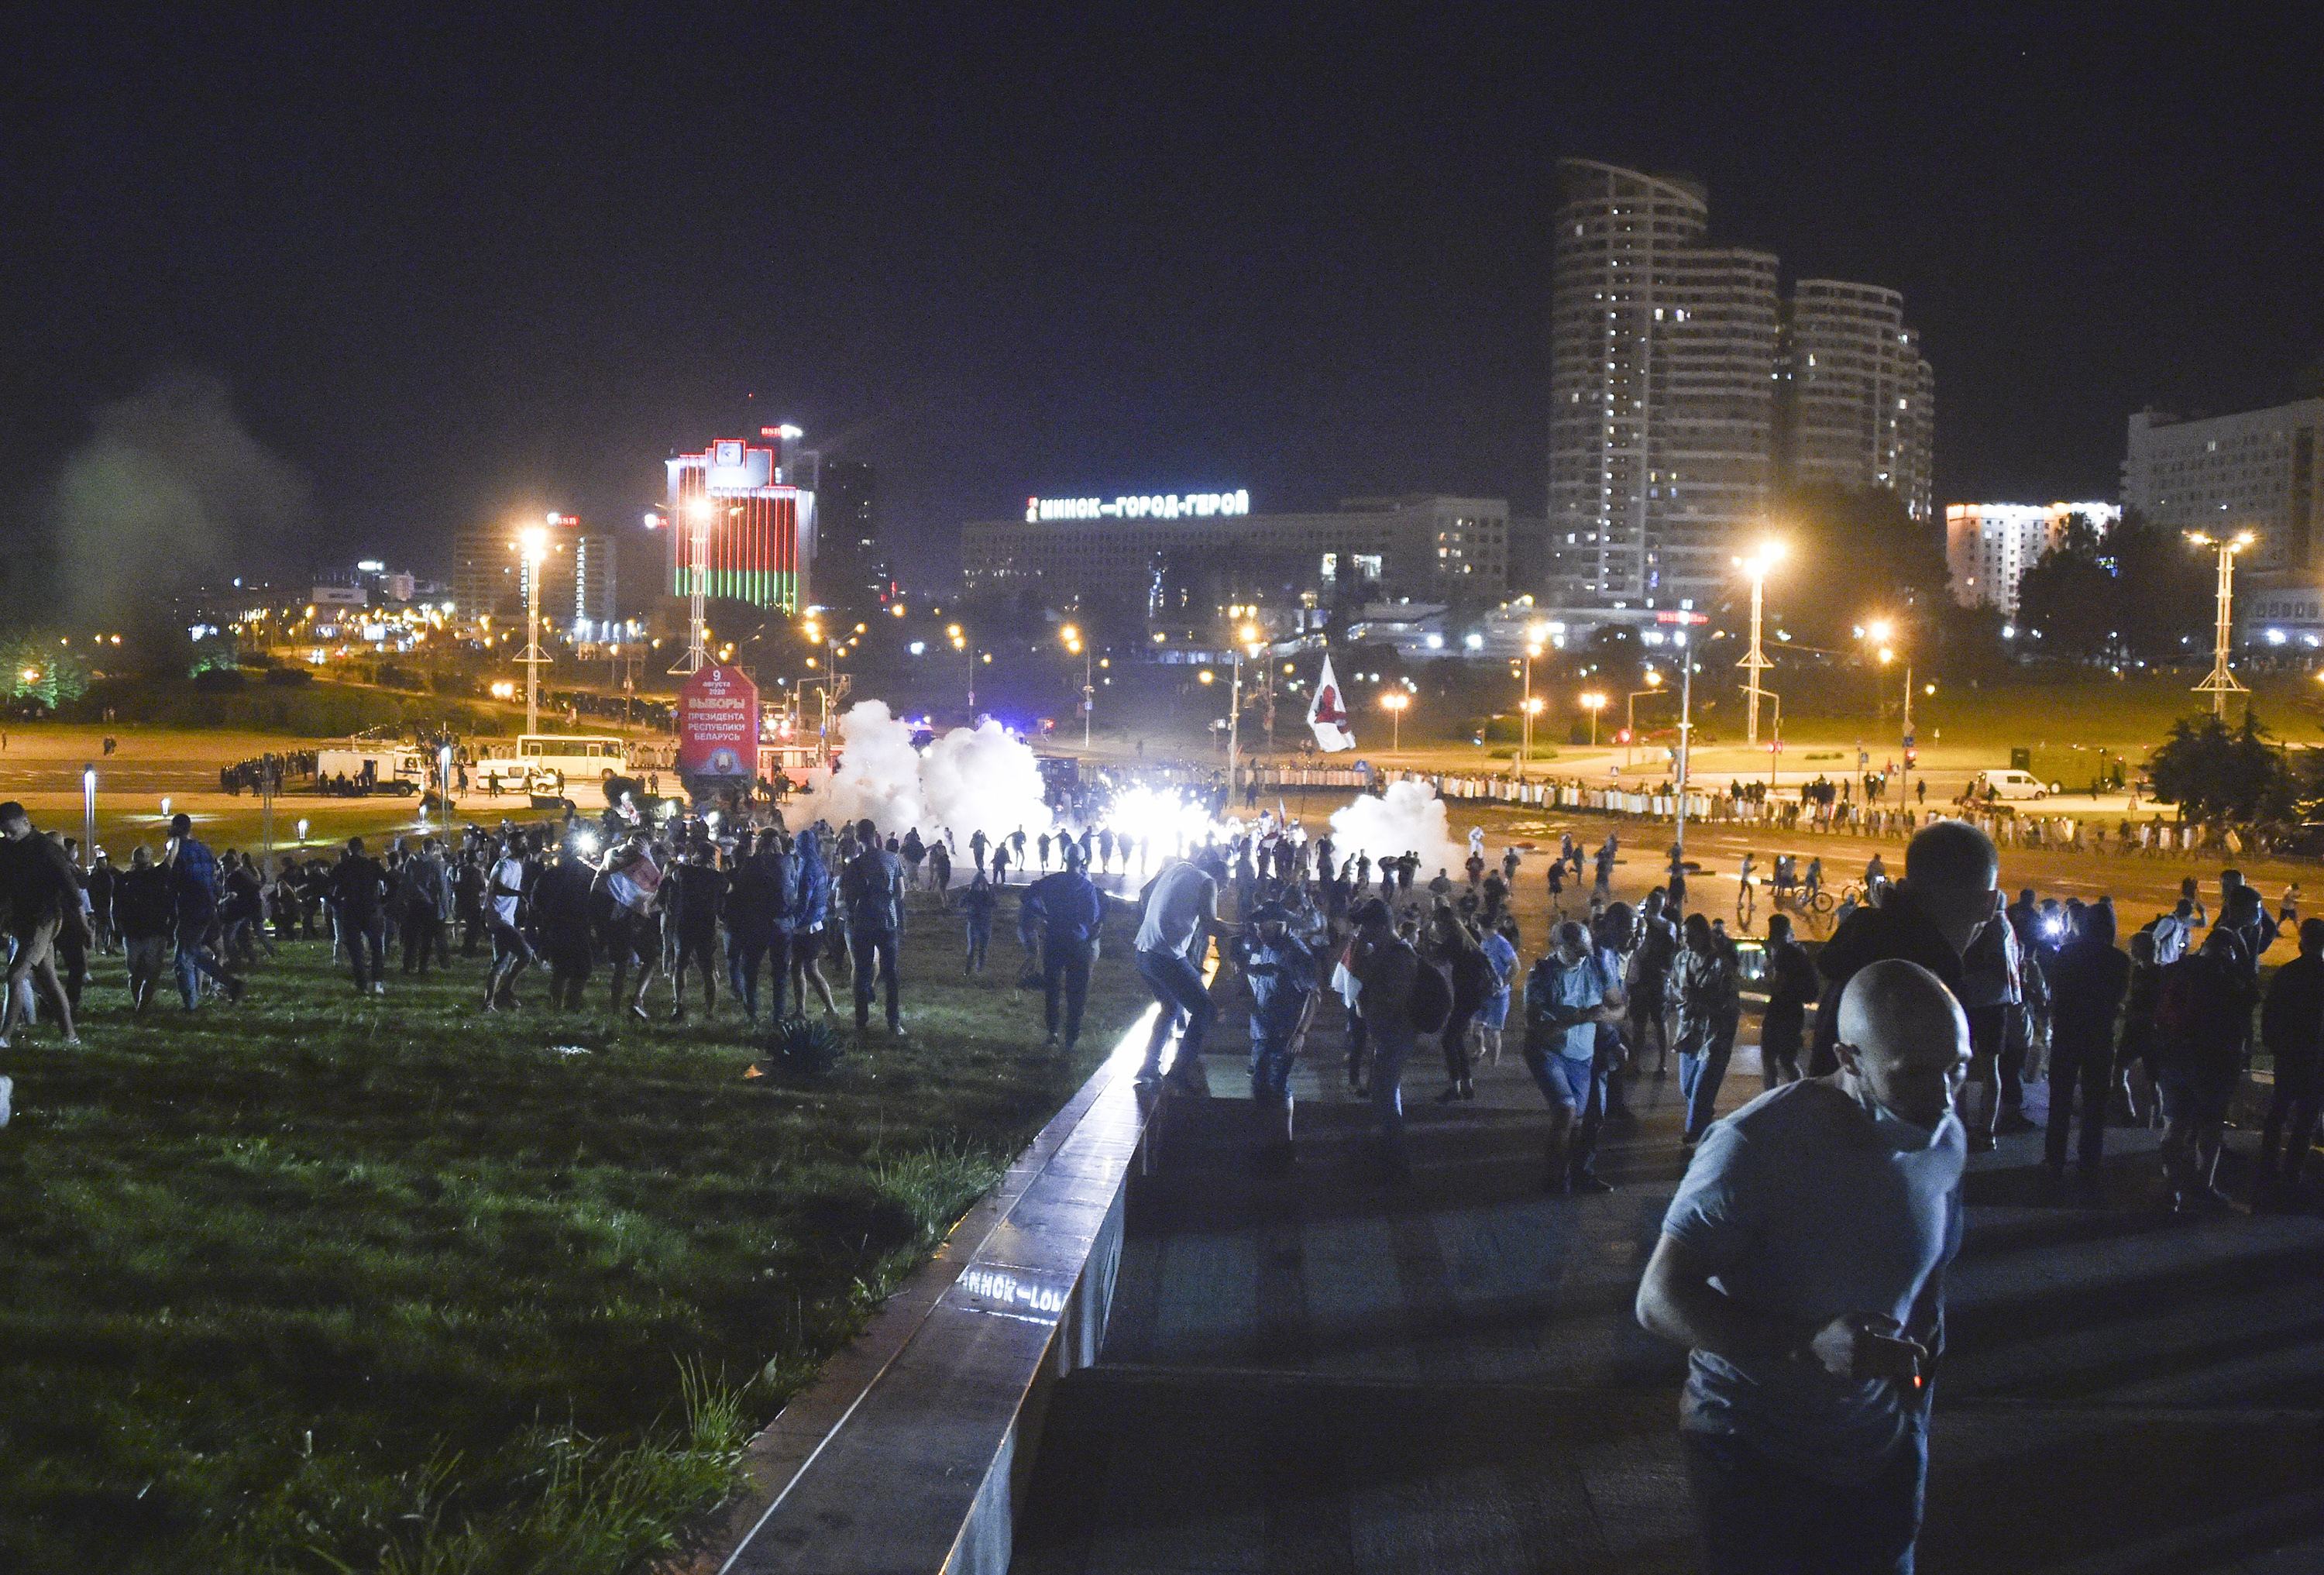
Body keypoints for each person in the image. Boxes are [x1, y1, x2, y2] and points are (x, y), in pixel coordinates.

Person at [1637, 959, 1968, 1575]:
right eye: (1915, 1074)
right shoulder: (1754, 1145)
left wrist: (1915, 1419)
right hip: (1751, 1452)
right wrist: (1807, 1345)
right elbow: (1659, 1298)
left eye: (1959, 1068)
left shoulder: (1943, 1135)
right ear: (1848, 1058)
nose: (1945, 1098)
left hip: (1880, 1448)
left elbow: (1929, 1281)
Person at [1809, 820, 1997, 1078]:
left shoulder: (1860, 948)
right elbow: (1922, 1108)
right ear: (1989, 904)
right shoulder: (1929, 983)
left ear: (1905, 888)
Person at [2153, 926, 2254, 1212]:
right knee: (2210, 1128)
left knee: (2174, 1126)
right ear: (2228, 951)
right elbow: (2247, 1005)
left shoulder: (2174, 969)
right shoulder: (2228, 978)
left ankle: (2172, 1187)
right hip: (2212, 1063)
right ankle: (2203, 1184)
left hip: (2174, 1057)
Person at [1525, 918, 1623, 1194]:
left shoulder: (1596, 968)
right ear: (1558, 946)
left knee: (1579, 1122)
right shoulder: (1542, 973)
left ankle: (1569, 1174)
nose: (1581, 956)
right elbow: (1534, 1023)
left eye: (1584, 949)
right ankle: (1553, 1180)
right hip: (1548, 1051)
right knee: (1565, 1112)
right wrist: (1580, 1017)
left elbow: (1618, 1008)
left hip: (1582, 1056)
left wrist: (1607, 1019)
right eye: (1574, 949)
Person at [2042, 899, 2130, 1185]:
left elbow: (2054, 989)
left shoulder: (2067, 953)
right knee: (2095, 1103)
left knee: (2060, 1100)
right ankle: (2089, 1159)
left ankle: (2054, 1158)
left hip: (2068, 1032)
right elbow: (2118, 998)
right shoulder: (2119, 960)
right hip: (2099, 1034)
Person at [1133, 854, 1233, 1086]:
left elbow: (1146, 895)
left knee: (1170, 1007)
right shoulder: (1208, 881)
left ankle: (1148, 1067)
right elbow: (1211, 925)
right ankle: (1179, 1073)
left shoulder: (1178, 868)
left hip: (1143, 951)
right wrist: (1244, 930)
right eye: (1225, 885)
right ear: (1218, 877)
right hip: (1166, 956)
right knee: (1205, 1010)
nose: (1224, 890)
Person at [0, 802, 88, 1047]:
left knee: (16, 976)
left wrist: (84, 926)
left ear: (26, 823)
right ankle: (71, 1036)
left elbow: (72, 888)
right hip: (21, 921)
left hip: (45, 919)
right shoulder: (6, 848)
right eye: (3, 832)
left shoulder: (46, 849)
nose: (8, 836)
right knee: (48, 978)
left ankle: (4, 1038)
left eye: (11, 831)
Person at [1235, 900, 1317, 1151]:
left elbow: (1314, 994)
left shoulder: (1296, 953)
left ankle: (1283, 1144)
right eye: (1258, 928)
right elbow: (1268, 973)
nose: (1260, 933)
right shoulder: (1267, 945)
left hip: (1284, 1031)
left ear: (1281, 924)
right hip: (1262, 1029)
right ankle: (1267, 1141)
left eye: (1265, 928)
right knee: (1261, 1085)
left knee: (1277, 1084)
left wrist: (1300, 1032)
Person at [1348, 896, 1419, 1173]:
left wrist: (1368, 1000)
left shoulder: (1399, 955)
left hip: (1396, 1035)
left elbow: (1387, 998)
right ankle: (1392, 1156)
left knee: (1384, 1095)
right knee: (1386, 1095)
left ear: (1379, 926)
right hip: (1386, 1035)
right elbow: (1357, 982)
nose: (1361, 931)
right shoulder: (1381, 953)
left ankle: (1397, 1163)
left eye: (1365, 926)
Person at [2257, 916, 2324, 1207]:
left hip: (2289, 1054)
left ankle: (2267, 1165)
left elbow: (2270, 1013)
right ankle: (2292, 1172)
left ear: (2301, 943)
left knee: (2279, 1110)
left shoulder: (2287, 973)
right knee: (2307, 1117)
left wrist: (2274, 1044)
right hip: (2316, 1057)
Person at [1021, 843, 1105, 1052]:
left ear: (1065, 858)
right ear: (1083, 861)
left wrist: (1043, 914)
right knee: (1077, 992)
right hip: (1078, 943)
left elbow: (1025, 896)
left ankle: (1053, 1033)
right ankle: (1071, 1038)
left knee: (1053, 989)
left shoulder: (1051, 881)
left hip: (1054, 940)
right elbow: (1093, 917)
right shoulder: (1087, 887)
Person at [1668, 913, 1742, 1144]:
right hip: (1690, 1033)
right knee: (1688, 1090)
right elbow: (1674, 988)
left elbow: (1730, 1005)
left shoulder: (1721, 964)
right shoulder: (1682, 959)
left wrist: (1700, 1000)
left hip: (1714, 1037)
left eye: (1691, 936)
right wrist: (1682, 997)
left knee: (1700, 1094)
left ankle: (1696, 1138)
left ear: (1704, 936)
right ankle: (1704, 1119)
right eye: (1684, 936)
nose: (1686, 941)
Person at [164, 813, 243, 1009]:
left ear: (176, 828)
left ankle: (191, 1006)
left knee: (182, 960)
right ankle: (232, 985)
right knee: (193, 954)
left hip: (190, 908)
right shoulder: (205, 850)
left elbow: (172, 883)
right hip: (208, 907)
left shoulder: (178, 852)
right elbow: (214, 879)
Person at [841, 817, 907, 1037]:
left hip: (863, 923)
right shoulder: (892, 859)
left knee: (861, 972)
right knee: (891, 974)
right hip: (888, 921)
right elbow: (900, 893)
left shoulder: (855, 865)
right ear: (876, 834)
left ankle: (862, 1022)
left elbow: (848, 897)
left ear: (858, 838)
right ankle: (894, 1022)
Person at [663, 841, 726, 1020]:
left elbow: (673, 877)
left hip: (684, 925)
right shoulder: (716, 877)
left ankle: (679, 1004)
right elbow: (729, 888)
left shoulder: (684, 872)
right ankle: (710, 1012)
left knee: (680, 966)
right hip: (705, 926)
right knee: (708, 970)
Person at [115, 844, 174, 1013]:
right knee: (152, 974)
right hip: (155, 932)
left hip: (131, 933)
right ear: (151, 860)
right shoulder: (158, 876)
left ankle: (139, 1005)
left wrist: (116, 927)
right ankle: (143, 1006)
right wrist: (176, 839)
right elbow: (170, 859)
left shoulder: (125, 880)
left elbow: (115, 906)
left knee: (135, 974)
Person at [1758, 913, 1815, 1088]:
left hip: (1781, 1011)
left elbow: (1778, 986)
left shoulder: (1784, 954)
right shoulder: (1796, 951)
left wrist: (1765, 981)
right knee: (1787, 1060)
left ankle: (1772, 1098)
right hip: (1794, 1012)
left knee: (1770, 1059)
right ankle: (1798, 1093)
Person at [481, 834, 534, 1011]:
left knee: (501, 962)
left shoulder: (518, 865)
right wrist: (519, 895)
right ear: (513, 846)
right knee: (526, 954)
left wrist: (521, 903)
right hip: (498, 918)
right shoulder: (504, 865)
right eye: (522, 843)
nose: (525, 846)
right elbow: (496, 887)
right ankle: (505, 990)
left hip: (505, 919)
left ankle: (489, 1003)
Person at [959, 869, 998, 973]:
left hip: (977, 923)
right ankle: (974, 970)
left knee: (976, 948)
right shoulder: (979, 894)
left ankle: (972, 970)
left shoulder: (974, 894)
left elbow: (961, 904)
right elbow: (995, 905)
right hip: (982, 923)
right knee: (978, 948)